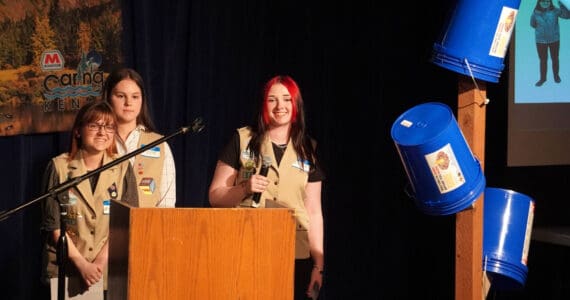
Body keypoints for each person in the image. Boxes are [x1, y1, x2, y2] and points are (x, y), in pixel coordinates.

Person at [208, 75, 325, 299]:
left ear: (296, 105)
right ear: (264, 105)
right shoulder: (242, 139)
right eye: (272, 100)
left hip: (293, 252)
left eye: (287, 99)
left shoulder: (308, 149)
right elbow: (215, 196)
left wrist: (318, 266)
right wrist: (243, 188)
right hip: (245, 246)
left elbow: (314, 212)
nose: (280, 106)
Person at [40, 100, 138, 299]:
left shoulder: (122, 168)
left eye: (108, 126)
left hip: (108, 270)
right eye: (94, 125)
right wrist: (82, 264)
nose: (102, 132)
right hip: (66, 269)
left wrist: (99, 263)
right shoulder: (58, 167)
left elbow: (126, 224)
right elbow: (53, 226)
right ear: (78, 131)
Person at [103, 67, 176, 207]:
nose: (128, 103)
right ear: (108, 97)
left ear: (142, 100)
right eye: (120, 96)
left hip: (147, 227)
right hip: (104, 227)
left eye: (135, 96)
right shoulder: (98, 140)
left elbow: (167, 203)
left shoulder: (159, 144)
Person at [530, 0, 570, 86]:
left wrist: (562, 4)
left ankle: (556, 76)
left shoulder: (555, 11)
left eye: (547, 1)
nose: (545, 3)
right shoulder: (535, 13)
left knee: (555, 59)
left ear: (550, 2)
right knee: (543, 60)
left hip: (554, 40)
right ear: (539, 2)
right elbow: (532, 24)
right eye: (543, 1)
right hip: (540, 41)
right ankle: (542, 79)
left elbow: (567, 16)